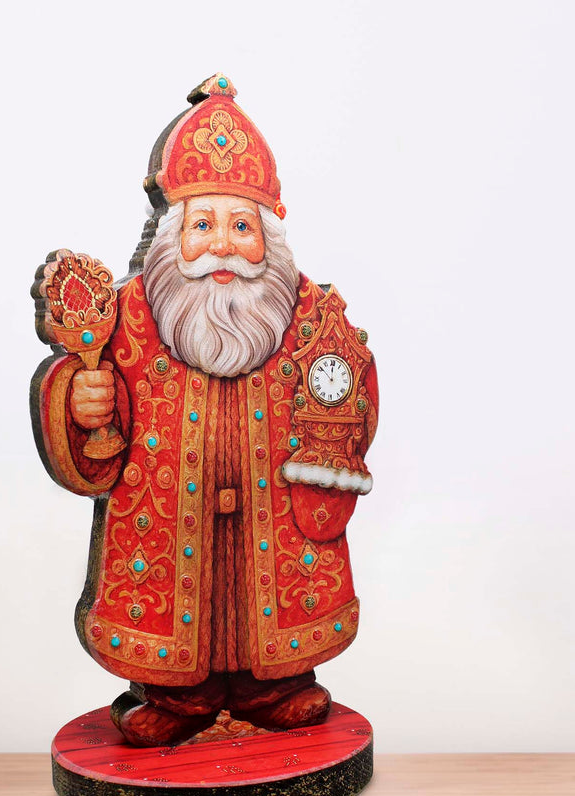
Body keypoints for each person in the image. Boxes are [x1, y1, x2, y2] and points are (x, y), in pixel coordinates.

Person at [31, 74, 378, 746]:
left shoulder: (309, 314)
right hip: (165, 520)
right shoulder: (127, 316)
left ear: (269, 238)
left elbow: (350, 389)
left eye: (242, 225)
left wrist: (344, 406)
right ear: (173, 232)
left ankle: (272, 686)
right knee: (180, 614)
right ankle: (176, 697)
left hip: (272, 516)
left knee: (260, 604)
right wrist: (78, 398)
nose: (223, 244)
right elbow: (83, 402)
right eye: (204, 224)